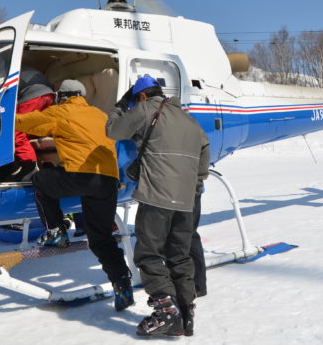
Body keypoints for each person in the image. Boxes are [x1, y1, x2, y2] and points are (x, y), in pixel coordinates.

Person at [14, 79, 134, 311]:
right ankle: (123, 284)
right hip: (108, 180)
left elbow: (24, 122)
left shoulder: (61, 112)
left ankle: (56, 230)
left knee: (41, 182)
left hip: (81, 176)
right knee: (101, 239)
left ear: (62, 95)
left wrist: (0, 113)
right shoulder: (99, 114)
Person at [106, 75, 210, 337]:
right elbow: (203, 157)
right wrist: (193, 186)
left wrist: (119, 107)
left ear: (141, 96)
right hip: (187, 200)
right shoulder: (190, 120)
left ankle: (165, 310)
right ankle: (186, 315)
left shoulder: (145, 109)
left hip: (157, 196)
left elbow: (113, 131)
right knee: (179, 255)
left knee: (149, 253)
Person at [0, 65, 54, 182]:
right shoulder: (16, 66)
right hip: (48, 94)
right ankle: (25, 163)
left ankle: (29, 166)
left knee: (16, 131)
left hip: (33, 95)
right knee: (30, 131)